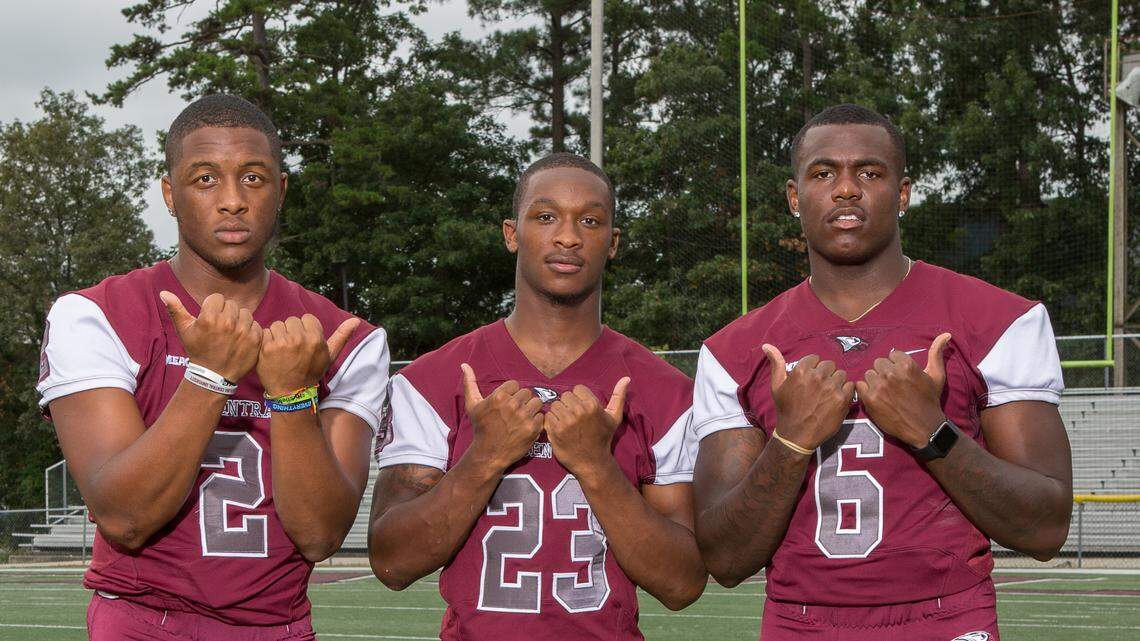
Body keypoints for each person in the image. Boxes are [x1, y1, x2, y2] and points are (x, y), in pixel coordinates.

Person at [691, 104, 1072, 641]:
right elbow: (725, 560)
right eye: (824, 174)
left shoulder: (999, 322)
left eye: (869, 173)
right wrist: (792, 440)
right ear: (794, 198)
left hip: (947, 619)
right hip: (799, 623)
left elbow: (1046, 528)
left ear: (904, 193)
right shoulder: (736, 350)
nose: (846, 190)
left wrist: (931, 432)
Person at [36, 94, 389, 640]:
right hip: (141, 622)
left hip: (279, 625)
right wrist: (208, 376)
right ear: (170, 194)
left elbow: (320, 536)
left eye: (253, 178)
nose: (232, 201)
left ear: (281, 190)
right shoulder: (96, 314)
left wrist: (293, 394)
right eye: (205, 179)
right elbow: (125, 518)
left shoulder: (347, 337)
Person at [368, 152, 706, 640]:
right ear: (512, 233)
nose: (568, 236)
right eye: (545, 216)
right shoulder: (433, 379)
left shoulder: (664, 390)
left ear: (611, 244)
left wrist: (596, 466)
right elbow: (392, 563)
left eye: (589, 221)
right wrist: (485, 457)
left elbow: (681, 584)